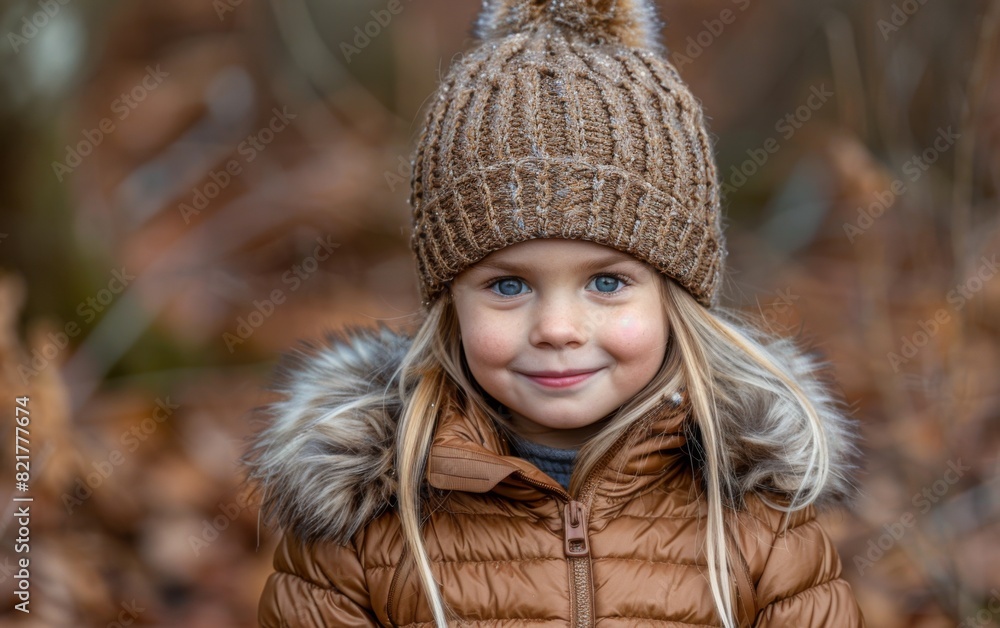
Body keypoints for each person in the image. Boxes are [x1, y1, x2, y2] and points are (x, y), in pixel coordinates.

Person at [244, 0, 865, 625]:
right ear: (449, 302)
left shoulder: (761, 518)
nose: (558, 330)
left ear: (676, 297)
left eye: (607, 281)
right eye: (509, 287)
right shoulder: (364, 520)